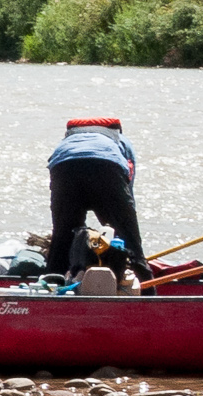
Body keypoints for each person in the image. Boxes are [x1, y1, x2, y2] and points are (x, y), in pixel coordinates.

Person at [43, 117, 149, 281]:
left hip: (65, 169)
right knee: (129, 241)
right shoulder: (121, 141)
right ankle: (146, 289)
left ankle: (51, 285)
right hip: (106, 168)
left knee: (62, 239)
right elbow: (128, 185)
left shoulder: (67, 142)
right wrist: (124, 224)